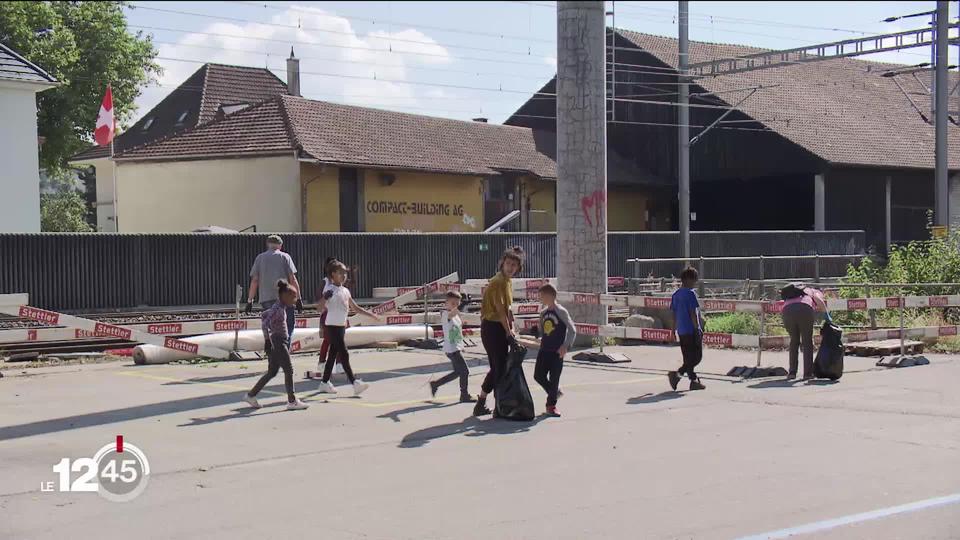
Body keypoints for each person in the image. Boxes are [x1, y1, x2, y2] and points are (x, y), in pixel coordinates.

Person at [473, 246, 525, 416]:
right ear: (502, 263)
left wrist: (512, 327)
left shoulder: (508, 282)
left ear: (518, 268)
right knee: (498, 367)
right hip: (492, 328)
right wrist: (508, 332)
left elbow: (508, 309)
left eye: (514, 265)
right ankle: (493, 404)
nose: (510, 267)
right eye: (508, 264)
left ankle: (485, 402)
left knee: (500, 367)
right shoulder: (497, 282)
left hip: (500, 327)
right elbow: (500, 309)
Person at [242, 279, 308, 411]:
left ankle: (251, 395)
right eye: (293, 297)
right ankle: (292, 400)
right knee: (289, 370)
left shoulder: (279, 307)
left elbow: (264, 315)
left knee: (272, 372)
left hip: (277, 341)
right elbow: (265, 323)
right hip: (278, 342)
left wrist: (268, 339)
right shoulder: (278, 309)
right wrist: (267, 340)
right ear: (284, 296)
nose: (295, 300)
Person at [316, 260, 379, 396]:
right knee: (344, 353)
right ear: (333, 275)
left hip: (341, 326)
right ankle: (355, 383)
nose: (344, 275)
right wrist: (324, 298)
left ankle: (324, 383)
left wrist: (371, 315)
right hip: (331, 326)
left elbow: (355, 308)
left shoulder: (345, 291)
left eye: (345, 273)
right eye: (341, 273)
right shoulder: (329, 290)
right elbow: (320, 308)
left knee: (332, 354)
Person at [245, 235, 302, 341]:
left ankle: (273, 350)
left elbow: (255, 281)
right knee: (288, 325)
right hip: (286, 298)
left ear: (268, 244)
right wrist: (298, 298)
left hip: (266, 298)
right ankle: (285, 349)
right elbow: (293, 279)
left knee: (272, 327)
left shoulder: (260, 258)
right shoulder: (285, 257)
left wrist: (250, 300)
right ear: (280, 245)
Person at [533, 284, 576, 417]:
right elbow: (542, 331)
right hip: (544, 349)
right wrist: (535, 332)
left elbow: (572, 330)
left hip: (557, 351)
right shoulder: (543, 313)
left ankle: (551, 405)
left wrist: (566, 346)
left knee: (554, 377)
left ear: (549, 296)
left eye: (541, 296)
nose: (540, 299)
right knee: (538, 375)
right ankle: (554, 391)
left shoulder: (561, 311)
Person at [429, 291, 475, 403]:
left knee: (458, 372)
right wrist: (462, 305)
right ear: (446, 303)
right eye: (453, 303)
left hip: (455, 348)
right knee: (465, 371)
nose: (455, 305)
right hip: (452, 350)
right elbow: (452, 314)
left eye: (457, 303)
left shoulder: (455, 315)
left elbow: (455, 328)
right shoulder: (445, 314)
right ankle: (464, 395)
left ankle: (436, 384)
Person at [668, 267, 707, 391]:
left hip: (682, 330)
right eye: (694, 279)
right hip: (691, 330)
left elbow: (673, 314)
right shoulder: (690, 294)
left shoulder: (676, 295)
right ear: (689, 280)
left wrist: (673, 330)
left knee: (688, 357)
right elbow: (693, 313)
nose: (695, 282)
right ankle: (677, 375)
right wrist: (698, 328)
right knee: (696, 357)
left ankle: (693, 380)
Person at [780, 283, 827, 380]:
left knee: (794, 341)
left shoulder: (797, 291)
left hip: (787, 311)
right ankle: (807, 374)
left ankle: (792, 372)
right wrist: (827, 316)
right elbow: (819, 301)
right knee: (807, 342)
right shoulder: (815, 291)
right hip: (804, 309)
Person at [314, 256, 338, 376]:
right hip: (327, 314)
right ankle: (322, 363)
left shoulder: (338, 281)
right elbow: (318, 298)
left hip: (337, 314)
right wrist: (326, 298)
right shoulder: (324, 281)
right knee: (328, 340)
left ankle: (339, 365)